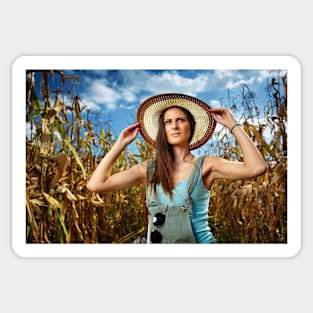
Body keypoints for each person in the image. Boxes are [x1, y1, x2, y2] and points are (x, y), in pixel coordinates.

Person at [87, 93, 268, 243]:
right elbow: (96, 185)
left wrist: (232, 125)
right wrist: (120, 144)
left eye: (180, 120)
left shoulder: (207, 165)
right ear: (163, 129)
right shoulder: (148, 170)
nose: (174, 126)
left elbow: (257, 167)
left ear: (191, 126)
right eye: (168, 122)